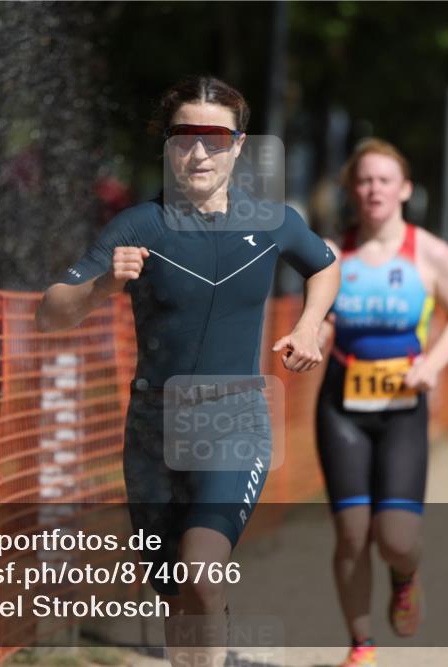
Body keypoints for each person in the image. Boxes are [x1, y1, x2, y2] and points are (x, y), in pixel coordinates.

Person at [35, 75, 340, 666]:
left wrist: (310, 326)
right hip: (153, 428)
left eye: (214, 139)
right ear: (167, 144)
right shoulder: (137, 227)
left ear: (239, 146)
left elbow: (324, 265)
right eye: (183, 138)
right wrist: (103, 286)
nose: (198, 153)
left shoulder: (274, 221)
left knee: (201, 574)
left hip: (236, 418)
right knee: (177, 592)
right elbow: (51, 314)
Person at [314, 138, 448, 667]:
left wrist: (433, 363)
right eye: (363, 179)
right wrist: (312, 337)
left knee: (397, 537)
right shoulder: (334, 254)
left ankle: (406, 577)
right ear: (351, 190)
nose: (373, 188)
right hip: (342, 405)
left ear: (404, 189)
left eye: (384, 179)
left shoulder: (429, 251)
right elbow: (320, 320)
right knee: (352, 535)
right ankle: (361, 646)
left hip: (404, 407)